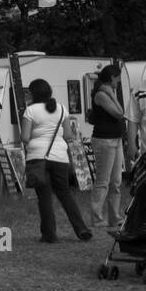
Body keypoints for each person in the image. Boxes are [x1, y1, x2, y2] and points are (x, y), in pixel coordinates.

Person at [20, 78, 91, 243]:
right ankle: (82, 229)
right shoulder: (61, 108)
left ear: (32, 93)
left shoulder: (30, 111)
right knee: (65, 194)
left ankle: (49, 235)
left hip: (38, 158)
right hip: (60, 157)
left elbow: (24, 137)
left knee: (44, 197)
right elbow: (68, 135)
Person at [89, 64, 128, 229]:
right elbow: (119, 113)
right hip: (104, 140)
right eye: (118, 78)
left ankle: (115, 216)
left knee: (116, 181)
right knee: (103, 181)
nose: (119, 82)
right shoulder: (101, 95)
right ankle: (97, 218)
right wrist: (112, 94)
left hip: (116, 139)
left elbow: (121, 111)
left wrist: (113, 93)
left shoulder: (109, 93)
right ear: (112, 78)